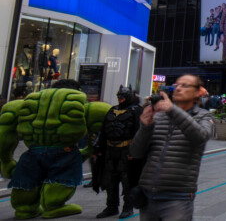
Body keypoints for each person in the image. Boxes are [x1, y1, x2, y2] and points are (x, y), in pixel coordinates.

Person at [0, 79, 110, 220]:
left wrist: (6, 160)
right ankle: (53, 206)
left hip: (34, 151)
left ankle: (24, 208)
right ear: (79, 91)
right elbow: (103, 121)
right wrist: (90, 149)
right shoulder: (84, 105)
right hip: (65, 152)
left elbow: (5, 130)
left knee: (28, 179)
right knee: (61, 178)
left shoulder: (25, 104)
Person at [130, 74, 212, 220]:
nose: (178, 89)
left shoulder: (203, 116)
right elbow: (136, 152)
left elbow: (200, 137)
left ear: (198, 92)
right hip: (148, 196)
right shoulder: (159, 116)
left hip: (178, 197)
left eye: (185, 85)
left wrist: (172, 110)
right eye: (176, 85)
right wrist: (145, 127)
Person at [94, 85, 144, 219]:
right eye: (119, 96)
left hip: (126, 150)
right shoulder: (112, 110)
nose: (120, 98)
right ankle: (111, 206)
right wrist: (98, 147)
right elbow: (104, 130)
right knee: (110, 179)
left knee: (127, 180)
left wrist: (133, 152)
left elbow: (139, 133)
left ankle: (128, 207)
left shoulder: (136, 110)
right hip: (111, 150)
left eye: (123, 96)